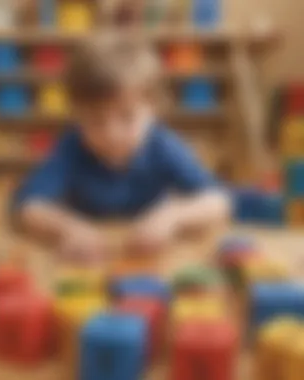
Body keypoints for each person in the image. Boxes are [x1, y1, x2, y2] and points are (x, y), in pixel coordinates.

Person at [12, 36, 230, 263]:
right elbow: (28, 207)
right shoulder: (71, 146)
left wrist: (171, 217)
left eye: (127, 117)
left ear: (153, 108)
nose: (111, 134)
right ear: (76, 114)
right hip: (87, 257)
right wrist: (67, 228)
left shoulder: (163, 146)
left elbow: (217, 202)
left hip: (150, 255)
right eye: (95, 120)